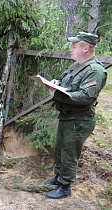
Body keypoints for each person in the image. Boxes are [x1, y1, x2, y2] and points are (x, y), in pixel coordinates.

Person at [44, 32, 107, 199]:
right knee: (60, 149)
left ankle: (65, 187)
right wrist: (56, 83)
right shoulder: (78, 65)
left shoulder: (95, 70)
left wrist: (55, 94)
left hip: (79, 119)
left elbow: (86, 97)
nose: (71, 49)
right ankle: (58, 178)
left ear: (85, 48)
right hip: (67, 116)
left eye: (74, 46)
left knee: (69, 152)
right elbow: (67, 83)